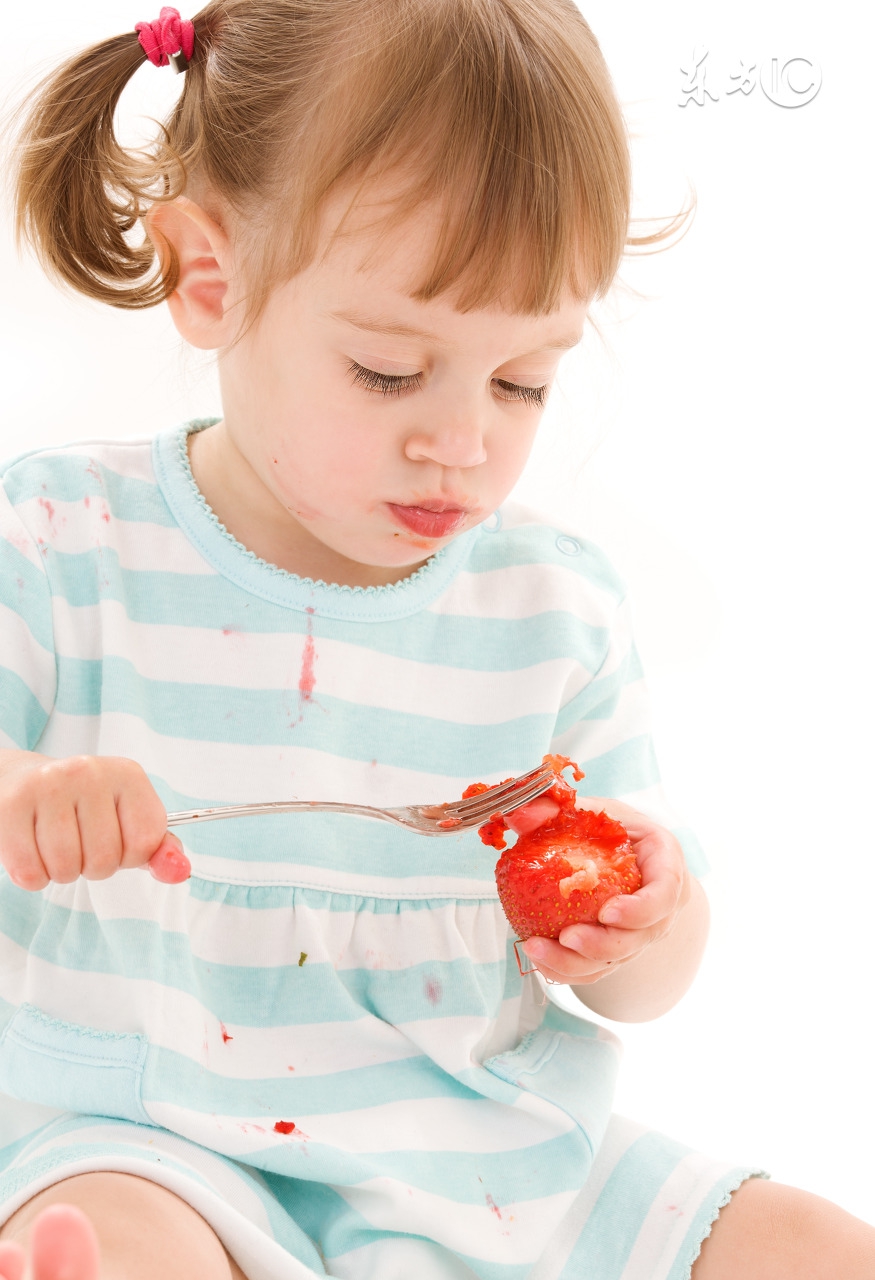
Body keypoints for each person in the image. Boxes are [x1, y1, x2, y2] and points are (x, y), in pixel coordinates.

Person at [0, 3, 872, 1278]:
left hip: (489, 1145)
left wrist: (647, 917)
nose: (462, 443)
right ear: (211, 276)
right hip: (156, 1123)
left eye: (522, 380)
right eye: (389, 370)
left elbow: (641, 988)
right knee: (125, 1242)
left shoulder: (548, 613)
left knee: (811, 1246)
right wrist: (28, 802)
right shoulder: (64, 540)